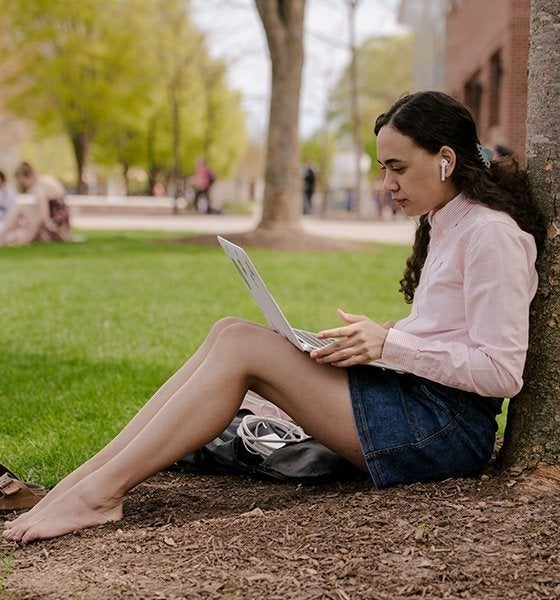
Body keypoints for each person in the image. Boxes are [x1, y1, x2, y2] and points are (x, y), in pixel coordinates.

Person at [3, 91, 545, 544]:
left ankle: (98, 496)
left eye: (397, 168)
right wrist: (367, 342)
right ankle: (80, 485)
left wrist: (388, 347)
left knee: (244, 347)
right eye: (384, 169)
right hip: (415, 400)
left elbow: (501, 371)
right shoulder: (449, 221)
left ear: (445, 158)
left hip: (444, 430)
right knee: (230, 331)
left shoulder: (492, 234)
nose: (388, 184)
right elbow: (447, 330)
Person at [0, 162, 71, 246]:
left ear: (27, 177)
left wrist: (28, 232)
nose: (22, 186)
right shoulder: (45, 181)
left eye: (21, 182)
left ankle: (2, 236)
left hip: (54, 229)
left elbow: (44, 217)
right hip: (58, 226)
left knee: (20, 208)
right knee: (16, 232)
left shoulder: (38, 188)